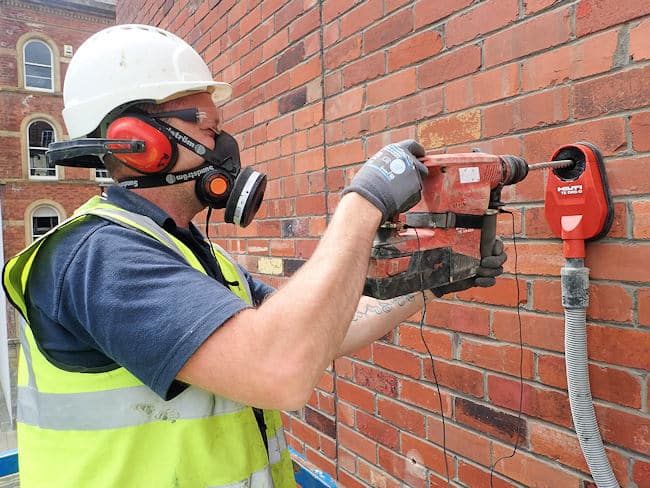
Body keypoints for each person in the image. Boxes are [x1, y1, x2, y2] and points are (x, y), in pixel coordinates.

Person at [3, 24, 506, 488]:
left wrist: (426, 282)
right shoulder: (99, 257)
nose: (224, 143)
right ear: (139, 143)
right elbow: (280, 369)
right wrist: (362, 205)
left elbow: (318, 331)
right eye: (205, 125)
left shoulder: (191, 253)